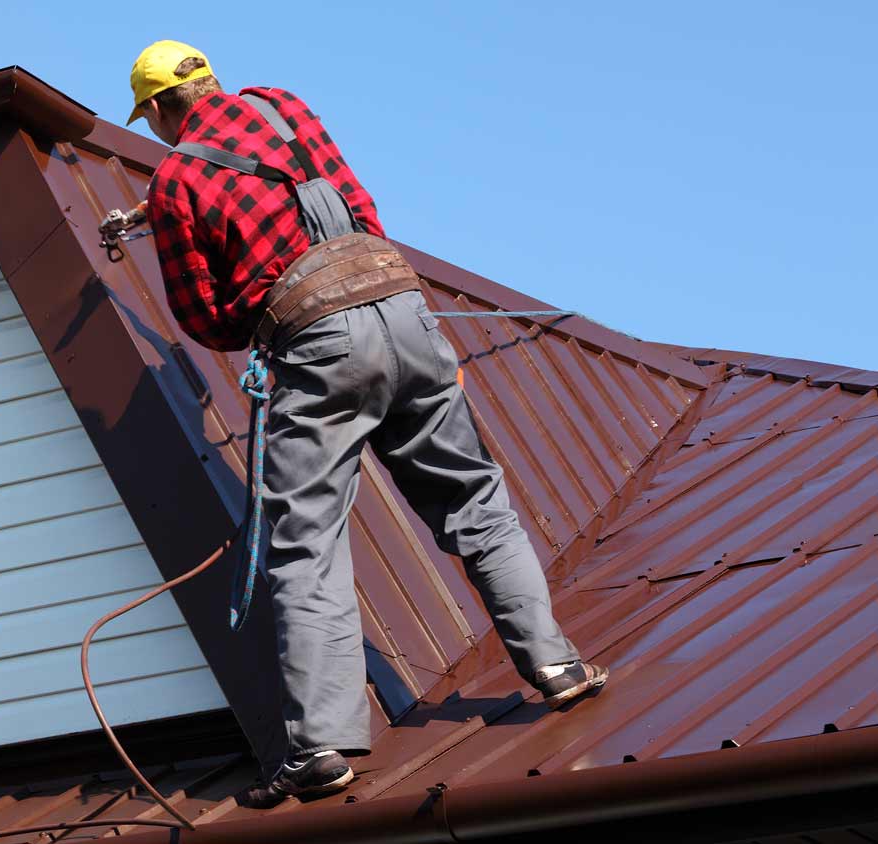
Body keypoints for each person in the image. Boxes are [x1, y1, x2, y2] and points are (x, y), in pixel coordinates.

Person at [126, 40, 609, 803]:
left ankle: (321, 747)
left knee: (306, 544)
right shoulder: (282, 106)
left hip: (319, 343)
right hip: (404, 307)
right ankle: (557, 665)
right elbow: (359, 208)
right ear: (211, 80)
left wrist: (265, 309)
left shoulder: (178, 178)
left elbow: (203, 317)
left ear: (157, 109)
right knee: (474, 501)